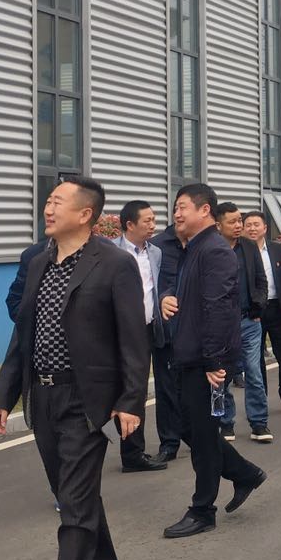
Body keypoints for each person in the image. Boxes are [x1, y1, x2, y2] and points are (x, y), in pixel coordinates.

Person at [0, 178, 149, 560]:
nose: (48, 207)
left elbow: (132, 338)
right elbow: (24, 334)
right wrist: (5, 392)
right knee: (72, 492)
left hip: (87, 399)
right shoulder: (39, 262)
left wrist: (131, 401)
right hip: (43, 396)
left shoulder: (113, 264)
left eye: (58, 202)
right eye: (48, 201)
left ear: (85, 215)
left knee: (73, 506)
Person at [161, 183, 267, 539]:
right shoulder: (193, 248)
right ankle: (244, 473)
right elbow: (183, 292)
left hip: (205, 361)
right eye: (175, 208)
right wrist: (166, 298)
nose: (176, 213)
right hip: (188, 354)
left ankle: (203, 510)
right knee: (188, 427)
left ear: (204, 210)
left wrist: (214, 361)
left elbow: (220, 309)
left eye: (182, 207)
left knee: (204, 435)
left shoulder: (215, 251)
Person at [111, 200, 170, 472]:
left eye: (154, 219)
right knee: (113, 389)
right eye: (147, 220)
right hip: (113, 333)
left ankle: (133, 454)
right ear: (129, 224)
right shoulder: (110, 252)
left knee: (136, 390)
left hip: (145, 330)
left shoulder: (155, 252)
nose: (153, 225)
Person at [216, 203, 271, 443]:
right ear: (218, 225)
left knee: (254, 372)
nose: (239, 225)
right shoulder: (211, 248)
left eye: (240, 220)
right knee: (222, 376)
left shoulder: (248, 247)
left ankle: (259, 423)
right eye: (233, 222)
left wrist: (258, 307)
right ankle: (225, 423)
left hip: (249, 321)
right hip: (220, 324)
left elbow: (261, 280)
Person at [243, 210, 281, 414]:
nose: (252, 228)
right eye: (248, 225)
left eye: (256, 224)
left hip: (278, 309)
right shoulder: (239, 251)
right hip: (253, 312)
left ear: (265, 228)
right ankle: (261, 399)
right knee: (255, 359)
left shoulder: (278, 250)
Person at [148, 222, 187, 462]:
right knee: (166, 389)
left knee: (196, 387)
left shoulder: (203, 245)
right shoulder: (157, 247)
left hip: (196, 330)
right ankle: (169, 443)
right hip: (167, 329)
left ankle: (199, 435)